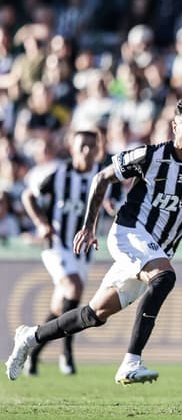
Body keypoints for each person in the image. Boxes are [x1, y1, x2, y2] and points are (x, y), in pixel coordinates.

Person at [5, 96, 182, 384]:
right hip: (129, 232)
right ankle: (131, 362)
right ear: (175, 127)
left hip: (157, 249)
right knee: (164, 278)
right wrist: (89, 227)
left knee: (94, 314)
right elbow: (102, 178)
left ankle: (30, 336)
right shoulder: (150, 155)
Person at [19, 124, 116, 375]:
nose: (87, 151)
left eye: (92, 146)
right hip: (58, 246)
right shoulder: (58, 174)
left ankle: (32, 350)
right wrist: (42, 224)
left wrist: (113, 208)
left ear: (98, 149)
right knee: (74, 288)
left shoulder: (105, 176)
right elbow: (28, 196)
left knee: (59, 308)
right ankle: (67, 354)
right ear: (72, 148)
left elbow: (116, 203)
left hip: (84, 251)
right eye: (82, 146)